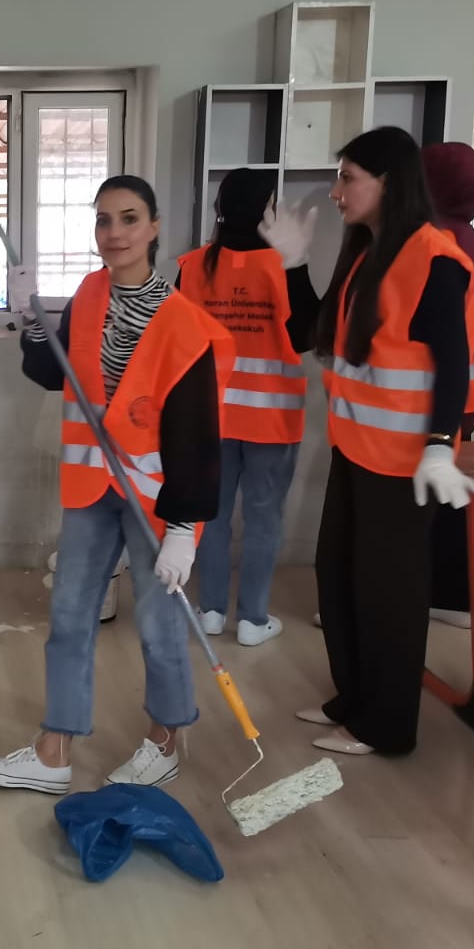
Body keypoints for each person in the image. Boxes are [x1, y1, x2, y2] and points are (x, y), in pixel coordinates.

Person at [0, 174, 233, 794]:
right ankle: (55, 749)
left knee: (159, 624)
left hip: (158, 500)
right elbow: (51, 371)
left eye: (128, 218)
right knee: (69, 615)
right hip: (92, 489)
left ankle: (165, 739)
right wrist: (32, 314)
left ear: (153, 228)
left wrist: (183, 531)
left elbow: (198, 434)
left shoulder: (184, 324)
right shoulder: (90, 295)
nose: (114, 232)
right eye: (103, 220)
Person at [275, 127, 474, 757]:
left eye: (347, 178)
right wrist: (292, 267)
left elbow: (454, 365)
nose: (336, 192)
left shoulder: (434, 258)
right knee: (339, 577)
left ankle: (387, 726)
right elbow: (308, 336)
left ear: (388, 183)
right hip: (356, 449)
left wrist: (440, 444)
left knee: (388, 596)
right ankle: (354, 700)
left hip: (405, 463)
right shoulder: (367, 255)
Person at [174, 168, 321, 647]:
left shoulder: (193, 266)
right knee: (263, 519)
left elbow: (176, 341)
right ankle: (253, 619)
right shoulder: (283, 264)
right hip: (272, 418)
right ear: (267, 210)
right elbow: (307, 337)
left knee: (211, 517)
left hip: (210, 416)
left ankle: (212, 611)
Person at [422, 142, 474, 630]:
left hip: (437, 393)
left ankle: (398, 602)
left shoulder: (435, 245)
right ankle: (451, 598)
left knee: (418, 497)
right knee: (445, 491)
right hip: (466, 393)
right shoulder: (472, 241)